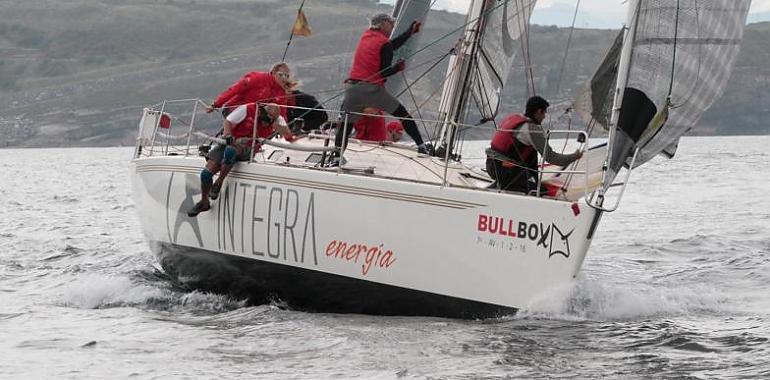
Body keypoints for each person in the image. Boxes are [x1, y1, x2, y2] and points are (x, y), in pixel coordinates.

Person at [334, 13, 432, 162]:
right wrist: (397, 68)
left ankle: (336, 157)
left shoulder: (367, 36)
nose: (393, 25)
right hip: (371, 90)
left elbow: (390, 46)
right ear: (383, 23)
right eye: (391, 23)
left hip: (353, 88)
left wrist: (409, 33)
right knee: (403, 114)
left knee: (347, 124)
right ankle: (421, 146)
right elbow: (384, 71)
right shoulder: (383, 43)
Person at [188, 103, 294, 217]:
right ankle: (204, 202)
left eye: (270, 118)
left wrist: (276, 123)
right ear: (262, 110)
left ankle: (219, 182)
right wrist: (228, 135)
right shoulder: (247, 109)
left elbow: (288, 135)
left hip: (249, 147)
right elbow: (228, 121)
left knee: (230, 151)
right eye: (266, 116)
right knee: (205, 175)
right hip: (231, 141)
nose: (266, 120)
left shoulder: (277, 119)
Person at [485, 96, 582, 195]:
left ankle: (505, 183)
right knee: (543, 191)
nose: (544, 117)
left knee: (530, 153)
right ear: (539, 111)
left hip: (492, 165)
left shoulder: (514, 118)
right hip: (504, 171)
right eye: (544, 113)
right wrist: (575, 156)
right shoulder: (531, 129)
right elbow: (551, 157)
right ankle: (508, 185)